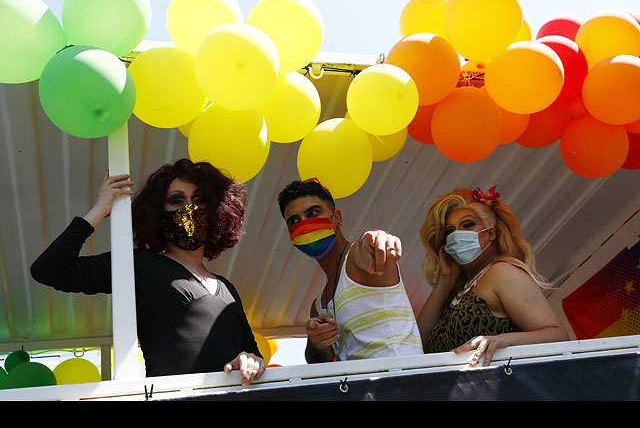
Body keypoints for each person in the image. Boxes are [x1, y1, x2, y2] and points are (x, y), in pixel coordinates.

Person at [30, 159, 265, 385]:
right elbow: (49, 269)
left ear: (215, 210)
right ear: (159, 213)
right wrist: (100, 210)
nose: (190, 209)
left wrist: (252, 361)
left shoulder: (227, 288)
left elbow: (253, 354)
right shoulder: (138, 265)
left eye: (199, 200)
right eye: (177, 200)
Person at [417, 185, 569, 367]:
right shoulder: (457, 290)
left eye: (467, 225)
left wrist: (502, 341)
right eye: (450, 231)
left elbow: (558, 337)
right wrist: (444, 280)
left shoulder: (501, 272)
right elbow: (416, 347)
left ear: (490, 233)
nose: (457, 234)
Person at [277, 178, 423, 363]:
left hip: (403, 384)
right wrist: (316, 342)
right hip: (361, 390)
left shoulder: (357, 258)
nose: (304, 225)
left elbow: (368, 245)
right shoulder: (318, 306)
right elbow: (320, 365)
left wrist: (377, 240)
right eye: (294, 221)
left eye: (313, 212)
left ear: (337, 218)